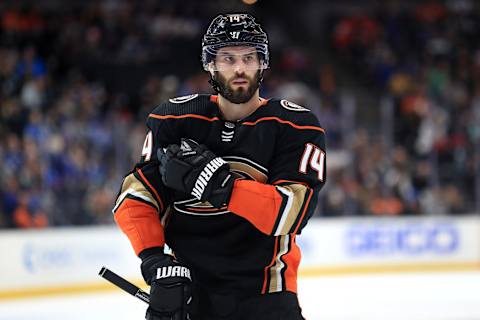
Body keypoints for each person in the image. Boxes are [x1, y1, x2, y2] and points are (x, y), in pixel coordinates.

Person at [112, 13, 326, 320]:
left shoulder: (295, 125)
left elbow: (291, 213)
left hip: (267, 296)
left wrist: (217, 185)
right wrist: (154, 260)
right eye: (227, 58)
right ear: (210, 64)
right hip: (189, 294)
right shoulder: (174, 120)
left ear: (262, 62)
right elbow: (136, 197)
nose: (239, 68)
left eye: (248, 57)